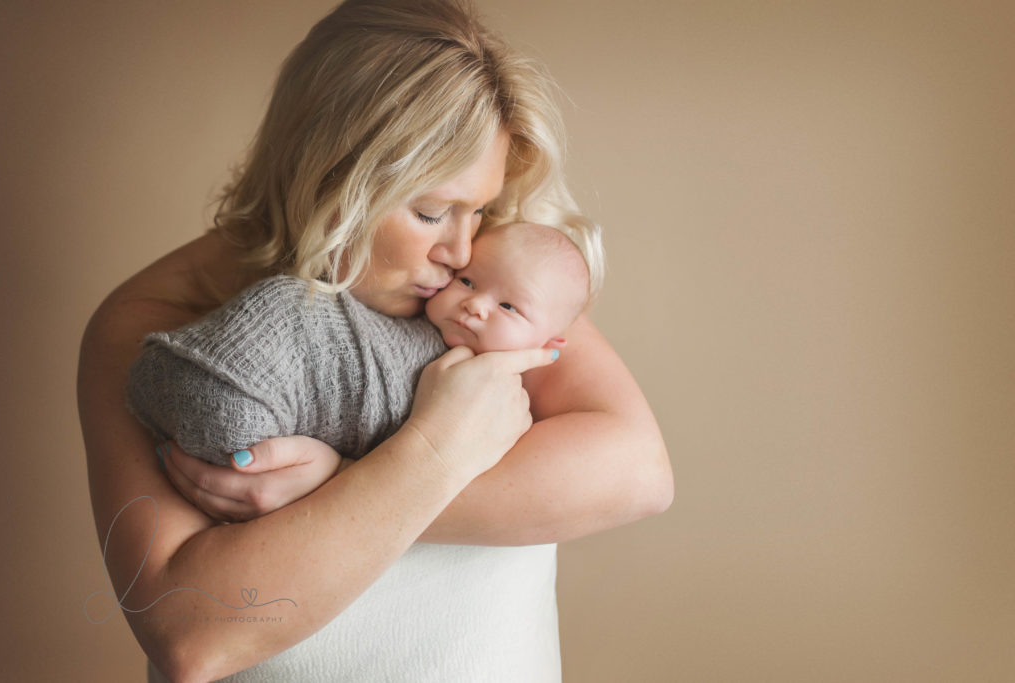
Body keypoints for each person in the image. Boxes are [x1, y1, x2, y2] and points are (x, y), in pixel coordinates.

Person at [77, 1, 673, 681]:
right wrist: (420, 458)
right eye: (430, 211)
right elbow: (190, 634)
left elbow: (638, 471)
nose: (459, 246)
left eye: (477, 210)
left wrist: (346, 481)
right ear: (328, 171)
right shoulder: (159, 322)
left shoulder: (481, 280)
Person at [126, 221, 591, 470]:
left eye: (509, 307)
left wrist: (334, 475)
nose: (476, 306)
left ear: (550, 343)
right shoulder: (395, 315)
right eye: (467, 281)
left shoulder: (510, 410)